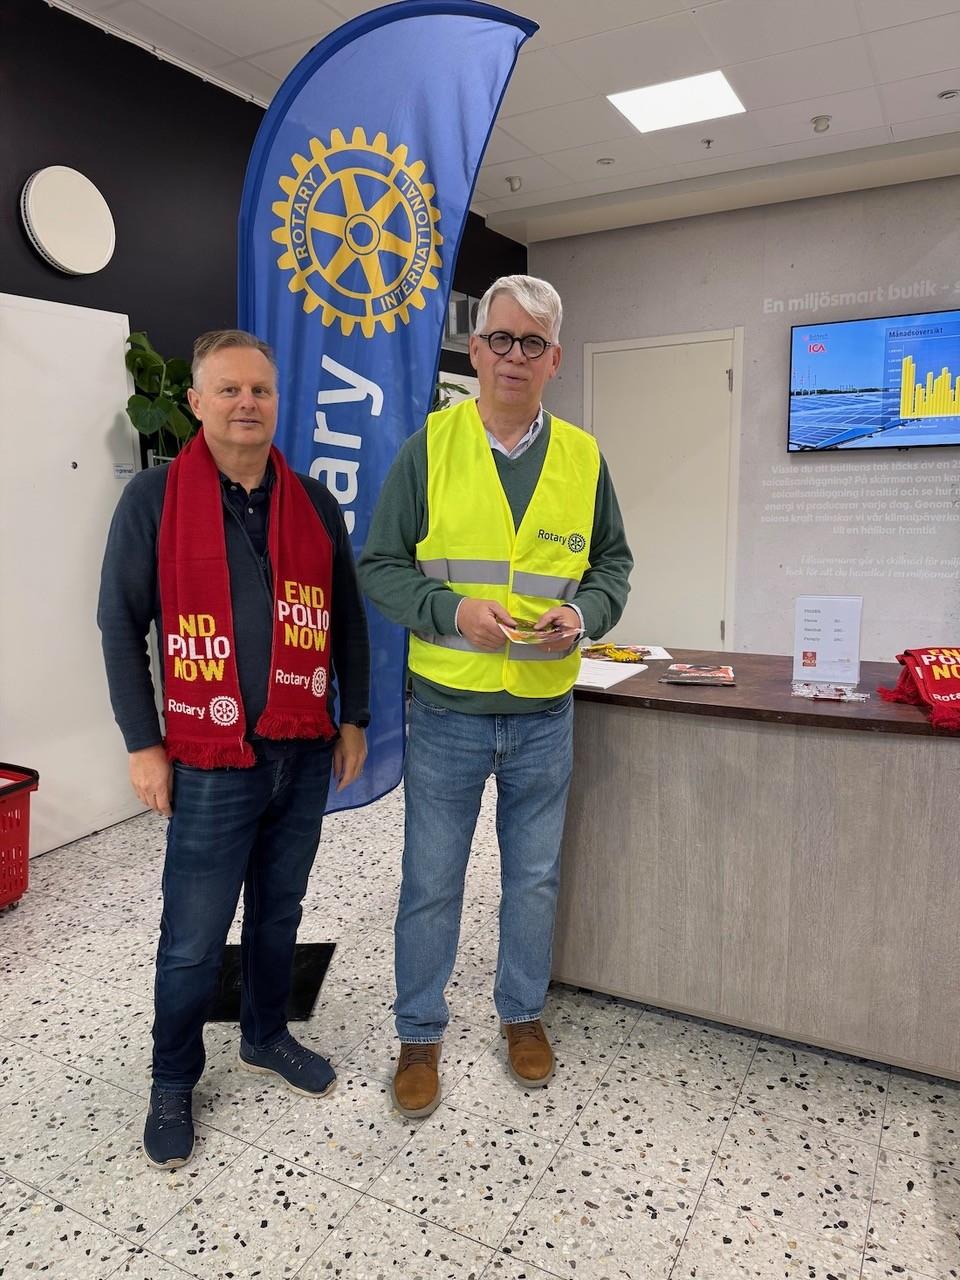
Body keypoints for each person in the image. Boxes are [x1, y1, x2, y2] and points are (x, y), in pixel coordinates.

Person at [359, 274, 632, 1117]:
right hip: (448, 710)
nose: (516, 356)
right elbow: (380, 566)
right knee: (431, 882)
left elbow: (612, 566)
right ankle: (419, 1032)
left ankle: (521, 1014)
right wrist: (451, 611)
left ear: (555, 359)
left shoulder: (583, 458)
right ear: (476, 351)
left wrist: (582, 616)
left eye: (533, 344)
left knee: (535, 880)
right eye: (501, 339)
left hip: (544, 714)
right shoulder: (429, 448)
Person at [98, 329, 370, 1168]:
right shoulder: (154, 499)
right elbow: (119, 624)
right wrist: (143, 744)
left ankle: (264, 1034)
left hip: (301, 747)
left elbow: (347, 619)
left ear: (277, 401)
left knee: (280, 912)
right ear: (196, 402)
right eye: (228, 389)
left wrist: (354, 716)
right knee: (193, 935)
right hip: (209, 759)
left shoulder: (313, 502)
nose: (246, 403)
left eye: (260, 390)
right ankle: (172, 1078)